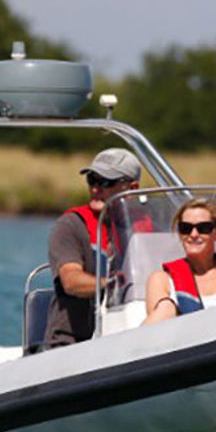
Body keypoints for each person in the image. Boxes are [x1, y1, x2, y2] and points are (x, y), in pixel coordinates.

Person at [43, 148, 141, 349]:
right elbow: (71, 281)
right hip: (73, 343)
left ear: (132, 188)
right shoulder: (71, 225)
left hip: (132, 334)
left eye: (106, 182)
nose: (96, 188)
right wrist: (113, 284)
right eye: (92, 180)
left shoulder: (147, 225)